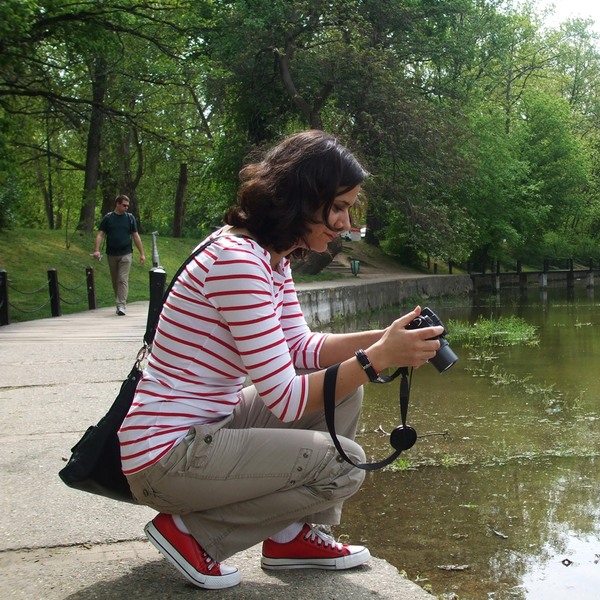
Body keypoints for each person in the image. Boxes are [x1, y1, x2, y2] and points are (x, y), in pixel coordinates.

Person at [118, 130, 443, 590]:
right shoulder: (238, 263)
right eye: (339, 207)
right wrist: (377, 357)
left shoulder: (271, 257)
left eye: (351, 208)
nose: (347, 223)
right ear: (302, 198)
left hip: (209, 427)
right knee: (343, 462)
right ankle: (195, 535)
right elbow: (287, 400)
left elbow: (301, 350)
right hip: (167, 457)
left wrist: (390, 337)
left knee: (344, 393)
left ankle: (290, 536)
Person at [92, 194, 146, 315]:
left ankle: (121, 305)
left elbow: (135, 235)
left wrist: (142, 253)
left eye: (127, 206)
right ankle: (119, 303)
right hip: (111, 253)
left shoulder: (130, 218)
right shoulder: (108, 218)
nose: (126, 208)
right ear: (117, 204)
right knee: (115, 280)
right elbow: (100, 234)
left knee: (122, 279)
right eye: (124, 205)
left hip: (126, 253)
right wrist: (97, 249)